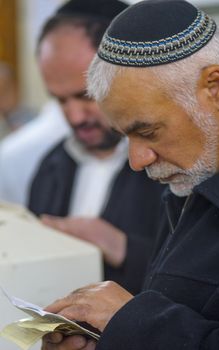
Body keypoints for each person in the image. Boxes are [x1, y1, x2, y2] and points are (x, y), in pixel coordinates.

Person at [41, 0, 219, 349]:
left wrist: (131, 320)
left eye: (148, 131)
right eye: (123, 135)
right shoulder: (185, 183)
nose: (137, 160)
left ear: (214, 87)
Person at [28, 0, 165, 295]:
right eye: (60, 101)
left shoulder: (175, 162)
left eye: (86, 96)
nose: (75, 117)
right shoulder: (52, 163)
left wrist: (122, 248)